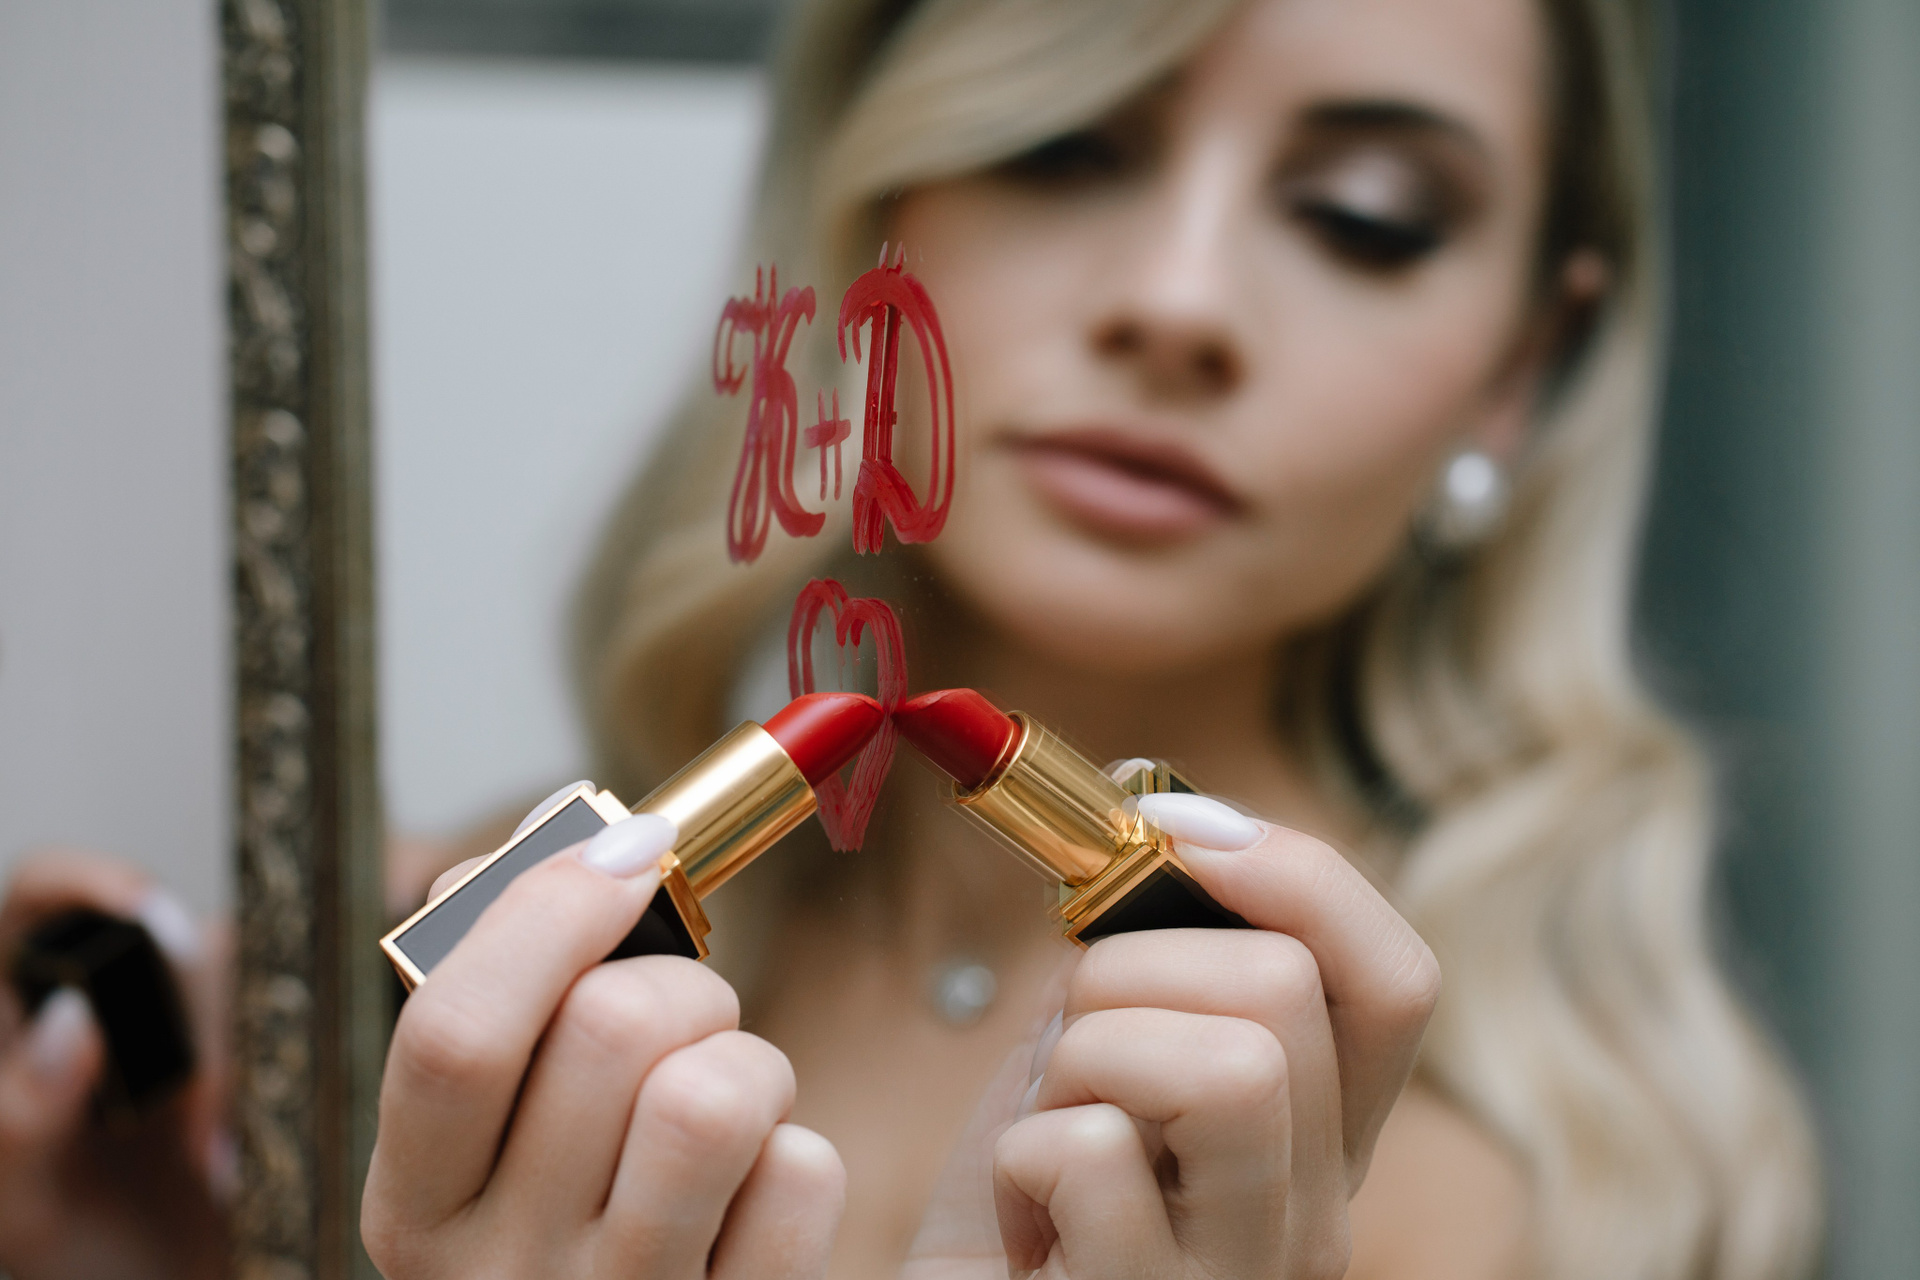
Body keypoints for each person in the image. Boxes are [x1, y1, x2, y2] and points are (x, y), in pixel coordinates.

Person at [2, 0, 1823, 1277]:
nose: (1177, 301)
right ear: (873, 204)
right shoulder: (462, 980)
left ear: (1519, 369)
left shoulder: (1590, 1184)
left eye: (1365, 219)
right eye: (1057, 142)